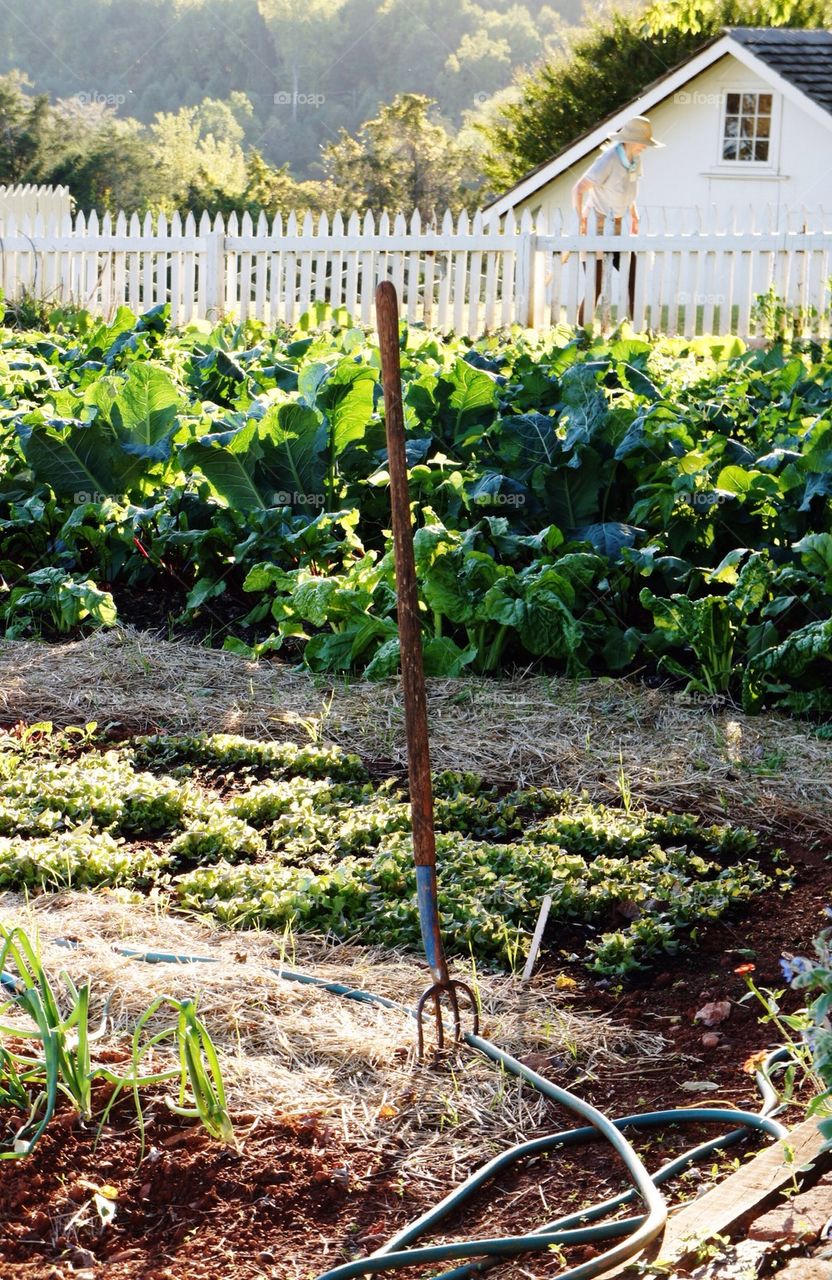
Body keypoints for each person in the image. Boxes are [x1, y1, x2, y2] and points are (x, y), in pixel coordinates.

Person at [571, 116, 663, 324]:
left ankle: (639, 331)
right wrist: (581, 221)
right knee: (594, 285)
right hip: (597, 225)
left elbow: (628, 189)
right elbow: (578, 189)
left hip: (618, 226)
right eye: (643, 143)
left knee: (635, 277)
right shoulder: (609, 159)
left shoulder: (635, 160)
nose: (645, 147)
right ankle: (581, 335)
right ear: (629, 140)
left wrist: (634, 212)